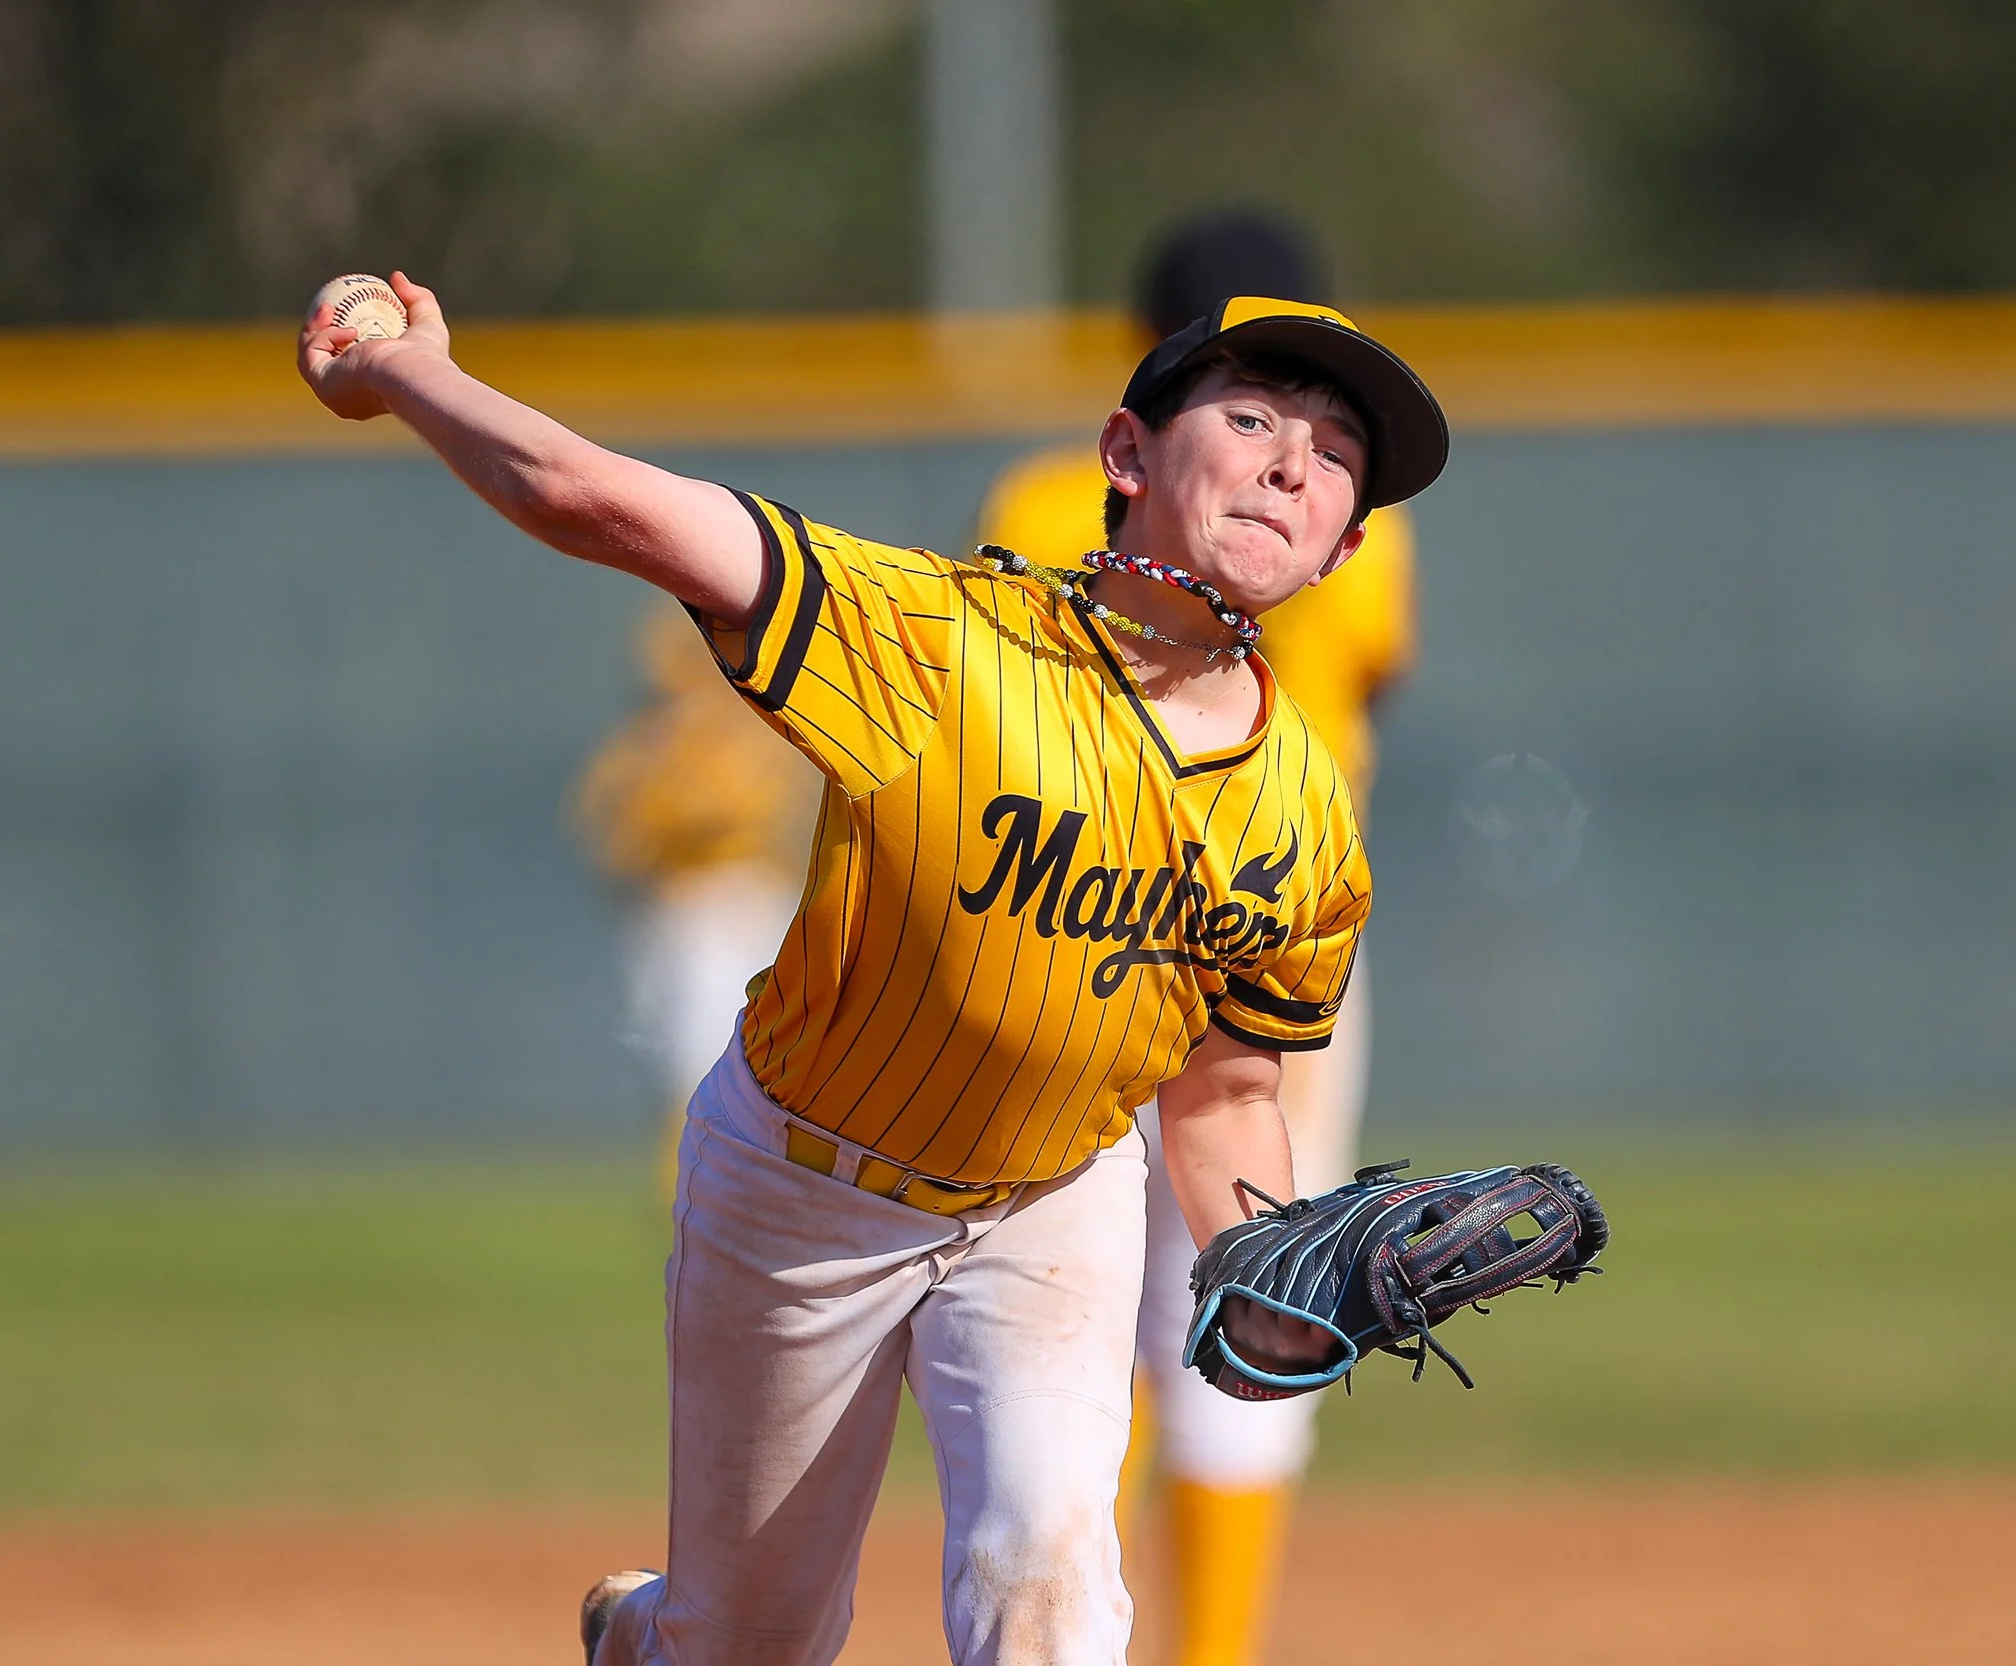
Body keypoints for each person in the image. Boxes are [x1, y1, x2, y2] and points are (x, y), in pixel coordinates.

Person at [296, 272, 1449, 1666]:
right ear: (1126, 454)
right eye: (1256, 414)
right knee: (752, 1642)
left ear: (1344, 546)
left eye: (1336, 457)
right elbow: (595, 498)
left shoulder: (1306, 820)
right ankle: (646, 1639)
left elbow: (1225, 1087)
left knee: (1052, 1600)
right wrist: (414, 376)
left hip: (1049, 1199)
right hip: (800, 1188)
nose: (1291, 463)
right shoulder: (934, 640)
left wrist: (1279, 1260)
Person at [977, 209, 1418, 1666]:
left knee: (1069, 1318)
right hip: (1282, 945)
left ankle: (1063, 1628)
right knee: (1254, 1296)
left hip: (1070, 936)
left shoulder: (1050, 501)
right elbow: (1379, 693)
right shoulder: (1368, 535)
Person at [570, 605, 816, 1193]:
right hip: (668, 909)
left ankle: (720, 1184)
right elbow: (606, 835)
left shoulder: (747, 734)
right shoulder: (646, 748)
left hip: (738, 900)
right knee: (678, 1057)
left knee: (722, 1055)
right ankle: (697, 1183)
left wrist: (673, 818)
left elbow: (749, 813)